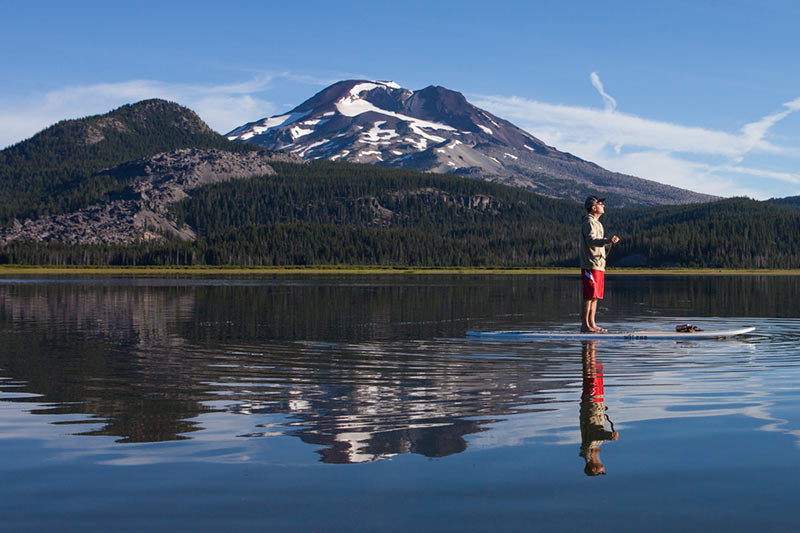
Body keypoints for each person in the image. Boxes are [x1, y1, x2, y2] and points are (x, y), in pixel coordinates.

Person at [580, 195, 620, 333]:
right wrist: (607, 240)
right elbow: (592, 240)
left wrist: (607, 241)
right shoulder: (589, 222)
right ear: (593, 207)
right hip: (590, 264)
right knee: (589, 295)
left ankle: (592, 324)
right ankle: (585, 326)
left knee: (595, 296)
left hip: (598, 264)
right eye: (600, 203)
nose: (603, 205)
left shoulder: (598, 223)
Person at [579, 341, 619, 476]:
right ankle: (593, 348)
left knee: (591, 373)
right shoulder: (596, 447)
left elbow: (594, 434)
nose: (603, 469)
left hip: (591, 403)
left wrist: (608, 436)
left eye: (600, 471)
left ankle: (589, 347)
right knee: (596, 371)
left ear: (594, 469)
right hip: (597, 405)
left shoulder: (588, 448)